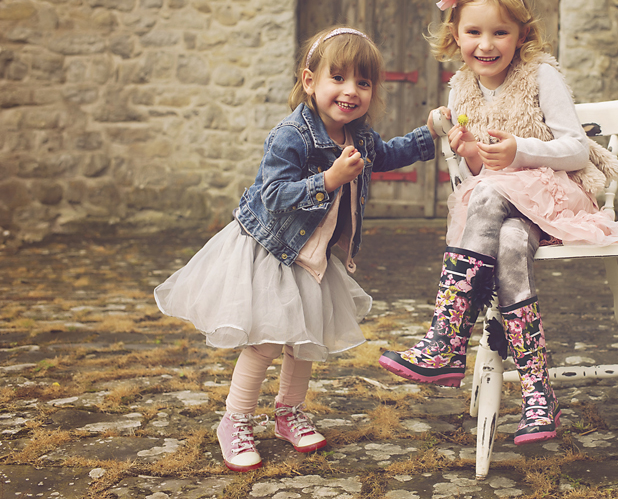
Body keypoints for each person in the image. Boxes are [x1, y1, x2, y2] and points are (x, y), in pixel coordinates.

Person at [155, 26, 442, 472]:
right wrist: (327, 180)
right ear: (310, 81)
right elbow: (273, 194)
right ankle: (234, 421)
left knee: (305, 340)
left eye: (363, 83)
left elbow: (386, 155)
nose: (351, 92)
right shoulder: (291, 134)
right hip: (272, 250)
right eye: (339, 78)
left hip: (313, 256)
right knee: (267, 340)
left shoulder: (360, 138)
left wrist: (430, 135)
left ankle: (288, 412)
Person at [378, 0, 618, 445]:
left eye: (500, 32)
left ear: (521, 35)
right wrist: (474, 154)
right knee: (510, 241)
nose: (486, 44)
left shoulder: (541, 76)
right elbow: (481, 176)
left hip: (554, 196)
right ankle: (539, 394)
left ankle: (447, 337)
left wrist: (519, 150)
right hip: (502, 210)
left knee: (494, 196)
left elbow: (577, 149)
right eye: (473, 32)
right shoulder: (461, 88)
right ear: (455, 36)